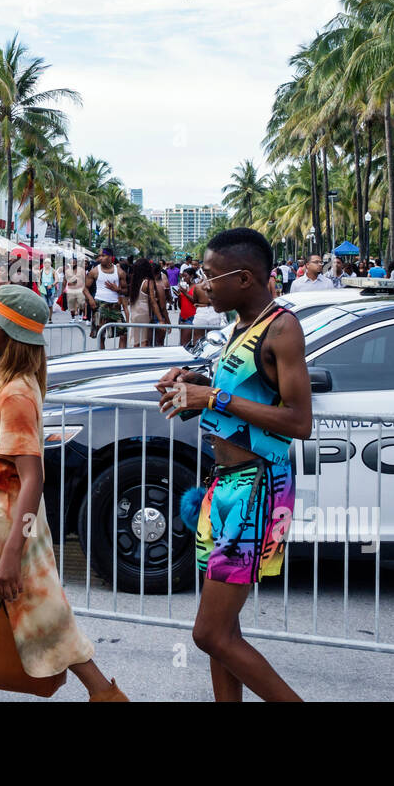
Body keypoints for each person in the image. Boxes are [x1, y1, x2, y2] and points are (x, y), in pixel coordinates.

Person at [0, 284, 127, 702]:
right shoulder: (1, 377)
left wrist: (11, 550)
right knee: (46, 614)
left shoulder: (17, 391)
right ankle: (106, 694)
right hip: (0, 517)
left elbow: (33, 476)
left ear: (13, 334)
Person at [155, 228, 309, 702]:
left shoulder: (282, 327)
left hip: (258, 485)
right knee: (224, 631)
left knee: (210, 633)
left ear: (243, 278)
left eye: (209, 275)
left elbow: (298, 421)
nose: (202, 284)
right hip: (222, 485)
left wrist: (213, 395)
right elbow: (245, 394)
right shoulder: (241, 326)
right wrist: (193, 384)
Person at [86, 248, 127, 348]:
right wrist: (90, 299)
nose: (100, 258)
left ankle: (121, 357)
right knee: (101, 335)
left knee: (124, 333)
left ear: (110, 257)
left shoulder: (119, 272)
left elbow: (126, 290)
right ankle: (102, 357)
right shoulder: (95, 271)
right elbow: (85, 287)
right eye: (99, 256)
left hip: (115, 306)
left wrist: (118, 290)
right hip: (100, 304)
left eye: (103, 256)